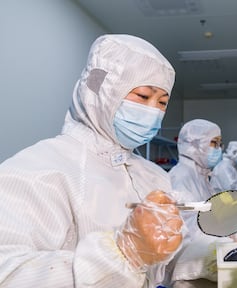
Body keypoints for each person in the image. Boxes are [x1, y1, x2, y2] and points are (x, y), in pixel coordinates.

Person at [0, 34, 184, 288]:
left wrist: (211, 253)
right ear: (100, 91)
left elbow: (166, 258)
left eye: (162, 103)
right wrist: (122, 255)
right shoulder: (37, 170)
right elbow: (7, 273)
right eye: (143, 97)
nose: (153, 111)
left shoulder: (152, 175)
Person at [165, 119, 237, 285]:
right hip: (186, 266)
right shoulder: (181, 177)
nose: (219, 149)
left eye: (220, 144)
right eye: (214, 143)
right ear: (194, 144)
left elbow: (211, 213)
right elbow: (187, 228)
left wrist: (236, 227)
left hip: (202, 254)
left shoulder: (201, 176)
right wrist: (230, 234)